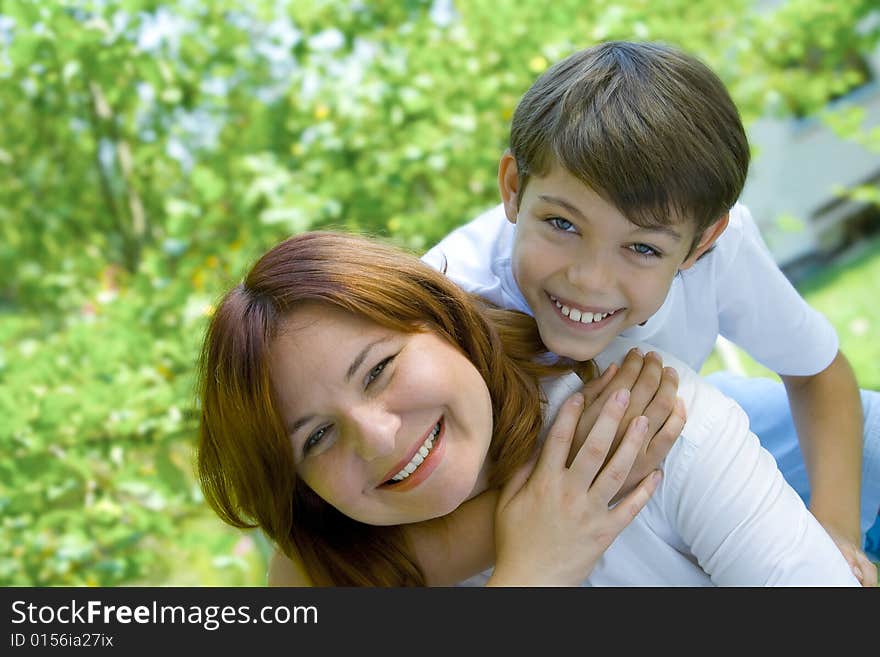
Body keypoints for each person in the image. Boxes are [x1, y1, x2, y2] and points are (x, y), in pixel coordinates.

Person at [421, 40, 880, 583]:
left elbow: (817, 371)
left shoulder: (721, 253)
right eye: (563, 224)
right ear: (514, 188)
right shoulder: (450, 301)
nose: (589, 279)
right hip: (552, 489)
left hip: (698, 417)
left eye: (642, 249)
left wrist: (836, 529)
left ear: (700, 244)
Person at [197, 230, 859, 586]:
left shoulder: (638, 422)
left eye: (379, 369)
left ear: (447, 321)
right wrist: (533, 571)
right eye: (316, 438)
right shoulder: (328, 568)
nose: (375, 436)